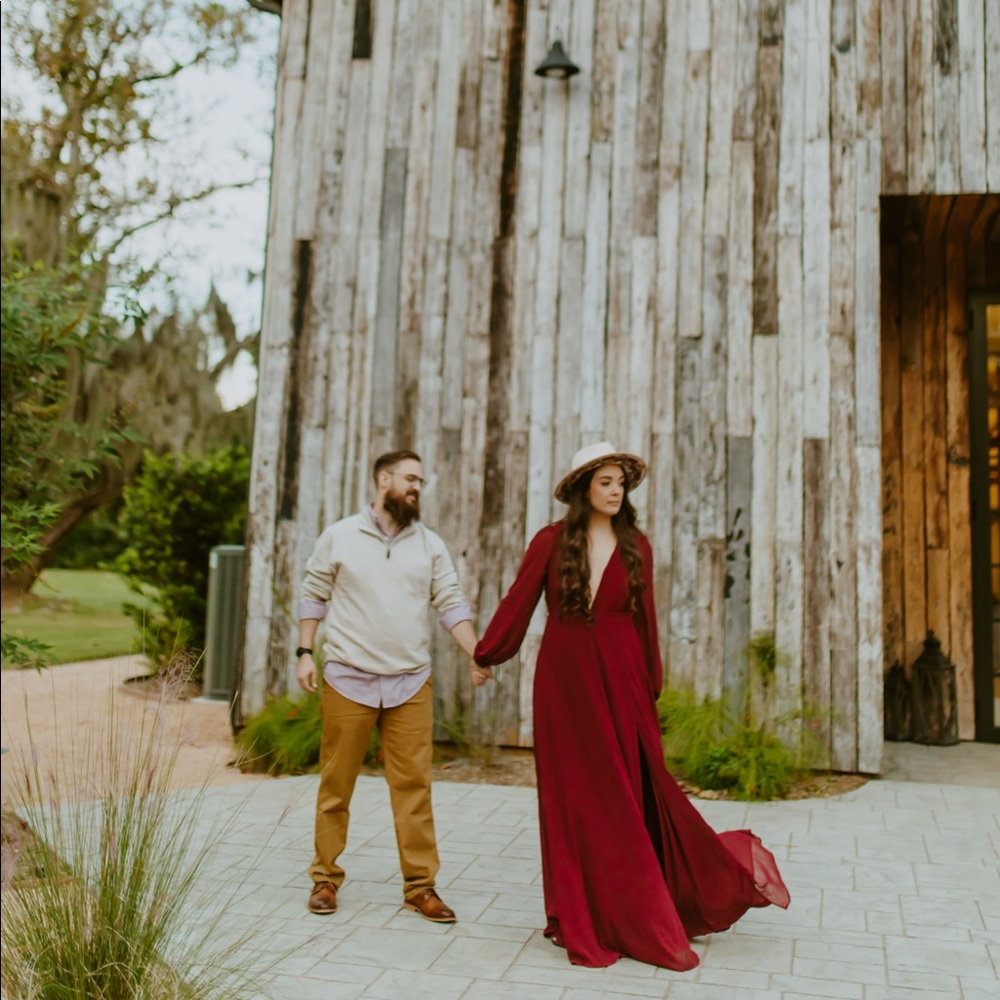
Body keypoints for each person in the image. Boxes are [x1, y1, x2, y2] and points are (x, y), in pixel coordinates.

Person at [472, 442, 790, 969]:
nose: (616, 490)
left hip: (623, 681)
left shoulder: (637, 546)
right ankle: (577, 913)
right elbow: (519, 602)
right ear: (583, 489)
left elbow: (646, 623)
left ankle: (641, 907)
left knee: (629, 794)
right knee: (572, 800)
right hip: (565, 683)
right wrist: (488, 654)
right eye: (606, 482)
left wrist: (649, 687)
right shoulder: (550, 542)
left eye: (622, 482)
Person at [296, 449, 485, 923]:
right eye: (409, 478)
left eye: (421, 480)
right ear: (384, 480)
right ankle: (324, 877)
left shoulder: (430, 545)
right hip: (347, 678)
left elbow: (451, 604)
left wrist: (477, 653)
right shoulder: (340, 536)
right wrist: (304, 651)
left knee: (414, 788)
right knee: (336, 785)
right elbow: (314, 592)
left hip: (409, 684)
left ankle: (421, 887)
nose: (417, 487)